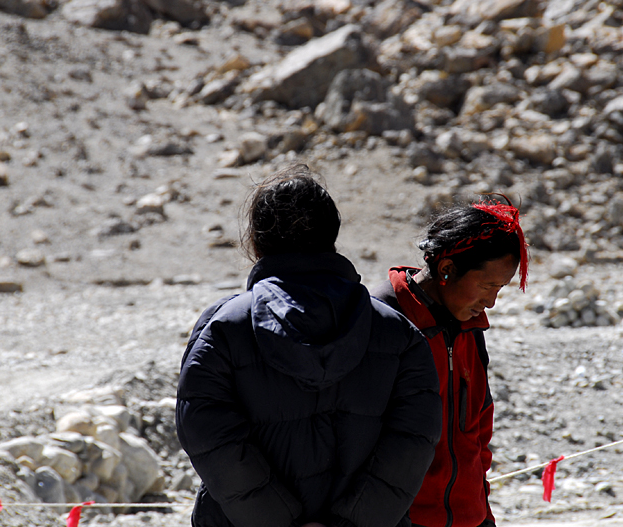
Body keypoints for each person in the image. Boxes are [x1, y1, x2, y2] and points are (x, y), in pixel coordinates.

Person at [176, 165, 443, 527]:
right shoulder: (399, 334)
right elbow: (412, 441)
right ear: (332, 235)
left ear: (256, 241)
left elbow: (209, 436)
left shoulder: (223, 328)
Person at [371, 196, 528, 527]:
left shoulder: (470, 329)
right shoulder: (382, 321)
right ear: (446, 269)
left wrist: (483, 514)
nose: (491, 302)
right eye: (487, 286)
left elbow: (478, 433)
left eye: (499, 289)